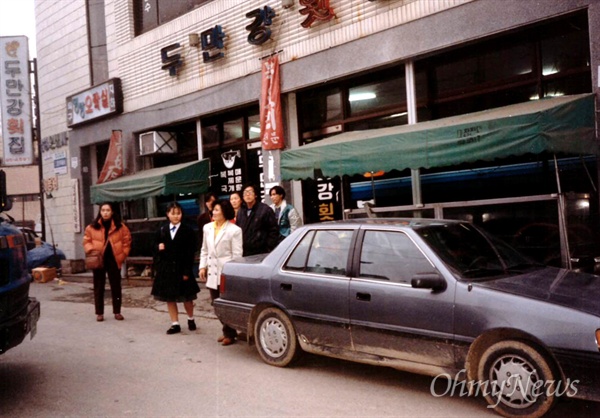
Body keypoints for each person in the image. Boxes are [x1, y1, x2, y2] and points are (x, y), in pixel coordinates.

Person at [151, 202, 200, 334]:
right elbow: (154, 246)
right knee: (170, 298)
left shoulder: (188, 231)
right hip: (166, 270)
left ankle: (191, 318)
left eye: (178, 213)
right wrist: (158, 248)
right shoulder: (162, 230)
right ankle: (175, 323)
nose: (176, 216)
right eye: (173, 213)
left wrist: (186, 271)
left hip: (182, 268)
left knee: (187, 297)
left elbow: (191, 252)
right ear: (167, 214)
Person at [199, 199, 243, 346]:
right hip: (212, 271)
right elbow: (204, 249)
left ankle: (229, 333)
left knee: (227, 304)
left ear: (224, 212)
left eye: (217, 210)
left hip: (226, 272)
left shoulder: (234, 230)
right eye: (214, 210)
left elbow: (237, 255)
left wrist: (233, 274)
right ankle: (228, 330)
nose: (214, 212)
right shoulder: (207, 228)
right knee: (215, 303)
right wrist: (202, 266)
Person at [83, 202, 132, 322]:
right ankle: (99, 313)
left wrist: (123, 254)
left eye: (108, 210)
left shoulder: (121, 227)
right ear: (100, 212)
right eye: (103, 210)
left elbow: (127, 241)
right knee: (99, 286)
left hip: (114, 259)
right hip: (98, 260)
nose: (105, 212)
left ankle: (117, 311)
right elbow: (86, 241)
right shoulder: (92, 227)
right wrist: (91, 250)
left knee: (116, 286)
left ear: (112, 212)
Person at [235, 184, 279, 256]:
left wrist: (268, 249)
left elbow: (273, 231)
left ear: (255, 195)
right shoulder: (241, 211)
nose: (248, 194)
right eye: (245, 192)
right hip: (245, 252)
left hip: (261, 253)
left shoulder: (265, 210)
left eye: (250, 192)